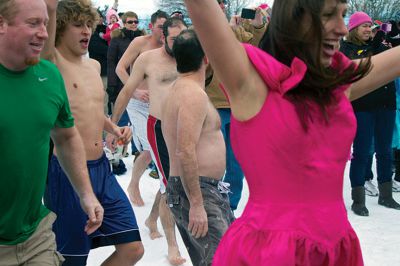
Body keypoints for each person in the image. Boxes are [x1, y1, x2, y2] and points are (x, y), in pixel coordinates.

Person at [183, 0, 400, 264]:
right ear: (294, 19)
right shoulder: (249, 81)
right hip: (271, 252)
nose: (343, 29)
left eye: (343, 15)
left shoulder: (337, 84)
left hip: (336, 248)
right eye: (329, 15)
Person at [0, 0, 103, 265]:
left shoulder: (49, 75)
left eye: (45, 24)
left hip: (36, 235)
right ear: (2, 24)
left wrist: (86, 193)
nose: (44, 33)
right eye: (33, 23)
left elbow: (66, 137)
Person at [41, 0, 144, 265]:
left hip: (102, 170)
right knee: (72, 260)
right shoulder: (53, 64)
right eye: (77, 25)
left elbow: (89, 111)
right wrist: (51, 9)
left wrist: (113, 127)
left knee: (132, 248)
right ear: (61, 29)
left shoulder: (93, 67)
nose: (86, 31)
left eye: (89, 24)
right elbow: (46, 43)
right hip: (66, 174)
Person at [112, 17, 188, 266]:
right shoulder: (146, 53)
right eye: (174, 39)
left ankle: (152, 218)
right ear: (162, 35)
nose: (179, 44)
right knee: (168, 183)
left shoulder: (191, 56)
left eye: (183, 38)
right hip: (150, 117)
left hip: (182, 126)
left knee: (176, 182)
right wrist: (113, 127)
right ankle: (172, 245)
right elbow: (124, 86)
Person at [162, 29, 235, 266]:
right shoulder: (192, 94)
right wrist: (196, 203)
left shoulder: (179, 89)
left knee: (230, 255)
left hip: (201, 190)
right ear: (206, 58)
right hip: (196, 191)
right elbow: (185, 149)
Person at [206, 0, 267, 211]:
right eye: (216, 3)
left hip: (240, 105)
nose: (220, 7)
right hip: (214, 102)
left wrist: (258, 25)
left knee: (237, 161)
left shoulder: (240, 30)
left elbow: (257, 51)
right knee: (213, 161)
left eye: (223, 3)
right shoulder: (203, 27)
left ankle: (228, 206)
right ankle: (209, 204)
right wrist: (229, 32)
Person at [340, 11, 400, 216]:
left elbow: (392, 60)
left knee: (384, 151)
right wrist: (375, 46)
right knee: (363, 151)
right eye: (364, 26)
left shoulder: (379, 45)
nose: (368, 29)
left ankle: (385, 195)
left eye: (369, 26)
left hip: (386, 104)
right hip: (362, 107)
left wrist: (391, 38)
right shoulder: (346, 48)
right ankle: (358, 199)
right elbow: (358, 68)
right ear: (353, 28)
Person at [115, 10, 168, 207]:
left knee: (154, 150)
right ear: (151, 26)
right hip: (137, 102)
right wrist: (135, 90)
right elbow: (120, 68)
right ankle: (136, 186)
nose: (163, 30)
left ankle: (141, 187)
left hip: (158, 104)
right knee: (148, 148)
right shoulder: (140, 43)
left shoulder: (169, 45)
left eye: (166, 26)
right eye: (160, 26)